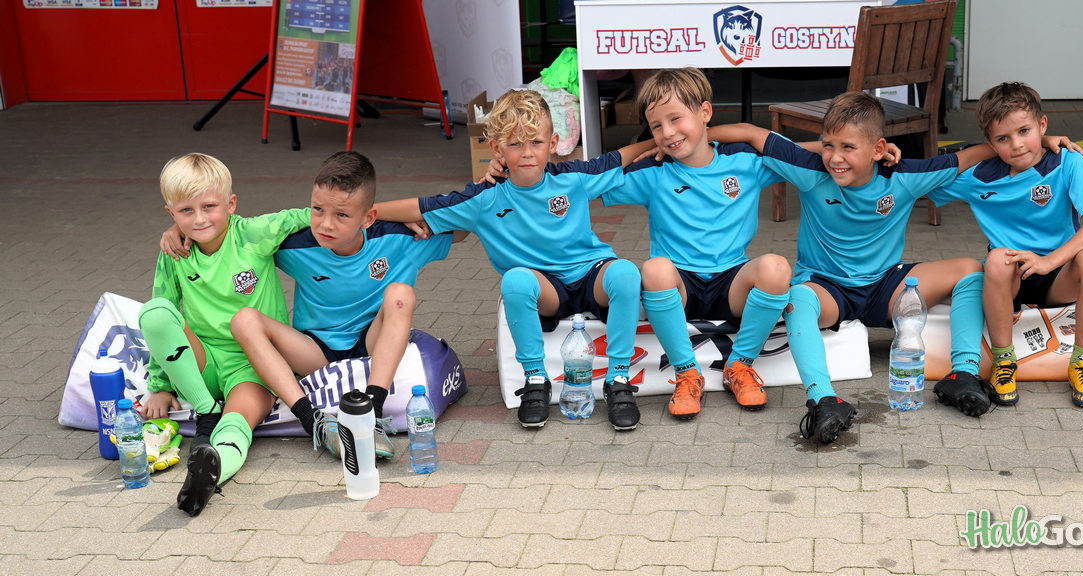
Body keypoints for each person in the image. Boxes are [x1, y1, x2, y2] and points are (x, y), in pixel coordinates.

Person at [722, 91, 1080, 443]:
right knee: (797, 298)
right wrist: (692, 135)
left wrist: (1042, 142)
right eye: (828, 145)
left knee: (971, 269)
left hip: (886, 285)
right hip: (826, 287)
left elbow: (968, 156)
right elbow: (753, 135)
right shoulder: (809, 170)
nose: (835, 158)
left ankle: (963, 374)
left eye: (848, 148)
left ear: (878, 149)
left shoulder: (905, 176)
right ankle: (823, 399)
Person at [373, 89, 655, 431]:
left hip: (590, 275)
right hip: (545, 289)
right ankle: (535, 380)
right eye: (515, 144)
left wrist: (663, 141)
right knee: (515, 281)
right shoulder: (483, 197)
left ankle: (618, 379)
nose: (527, 153)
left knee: (626, 273)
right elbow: (422, 206)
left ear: (553, 143)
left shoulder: (573, 177)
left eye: (536, 142)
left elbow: (619, 158)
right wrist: (366, 213)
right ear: (497, 149)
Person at [226, 151, 452, 457]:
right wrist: (179, 230)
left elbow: (463, 226)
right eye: (317, 210)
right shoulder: (293, 245)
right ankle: (313, 421)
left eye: (342, 215)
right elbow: (229, 234)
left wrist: (413, 214)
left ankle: (371, 414)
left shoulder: (399, 237)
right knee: (244, 320)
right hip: (314, 352)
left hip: (372, 343)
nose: (326, 224)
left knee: (400, 293)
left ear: (368, 217)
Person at [601, 68, 793, 420]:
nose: (668, 133)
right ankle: (687, 373)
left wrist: (870, 152)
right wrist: (649, 146)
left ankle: (740, 366)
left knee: (776, 267)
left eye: (676, 119)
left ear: (705, 112)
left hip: (732, 284)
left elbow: (811, 158)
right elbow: (586, 180)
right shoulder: (654, 172)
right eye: (656, 126)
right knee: (654, 269)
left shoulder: (744, 162)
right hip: (680, 289)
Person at [138, 153, 309, 516]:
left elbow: (316, 215)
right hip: (199, 365)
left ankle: (210, 474)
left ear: (231, 204)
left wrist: (394, 219)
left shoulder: (253, 233)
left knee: (236, 424)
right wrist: (161, 386)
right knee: (154, 311)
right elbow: (164, 311)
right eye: (186, 211)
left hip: (253, 365)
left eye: (209, 207)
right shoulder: (175, 251)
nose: (199, 219)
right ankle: (206, 410)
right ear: (171, 214)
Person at [931, 82, 1083, 408]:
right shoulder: (979, 176)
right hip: (1010, 279)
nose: (1016, 145)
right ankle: (1003, 360)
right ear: (990, 144)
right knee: (997, 259)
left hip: (1058, 275)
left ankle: (1082, 362)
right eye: (1003, 139)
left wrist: (1048, 262)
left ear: (1043, 124)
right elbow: (920, 185)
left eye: (1024, 131)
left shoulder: (1067, 162)